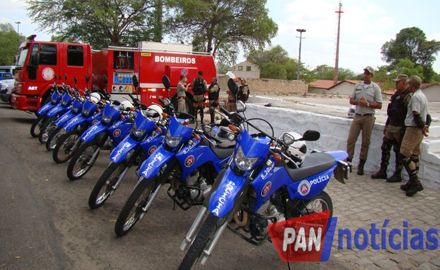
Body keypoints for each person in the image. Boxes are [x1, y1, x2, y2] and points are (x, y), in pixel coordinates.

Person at [371, 74, 410, 182]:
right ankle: (383, 171)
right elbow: (391, 111)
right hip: (391, 125)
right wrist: (387, 125)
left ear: (404, 82)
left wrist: (404, 129)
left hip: (400, 127)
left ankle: (398, 174)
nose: (396, 84)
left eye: (398, 82)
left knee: (398, 151)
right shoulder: (397, 94)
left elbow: (409, 114)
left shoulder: (408, 96)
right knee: (385, 147)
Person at [346, 66, 383, 175]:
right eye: (365, 73)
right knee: (351, 139)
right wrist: (358, 102)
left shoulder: (375, 88)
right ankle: (348, 162)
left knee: (365, 142)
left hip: (368, 116)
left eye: (368, 73)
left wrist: (367, 103)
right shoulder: (358, 86)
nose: (365, 75)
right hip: (357, 115)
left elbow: (379, 104)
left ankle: (361, 164)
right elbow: (351, 100)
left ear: (371, 75)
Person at [399, 75, 431, 197]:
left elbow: (416, 114)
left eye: (408, 84)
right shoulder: (423, 96)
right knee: (414, 155)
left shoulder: (416, 97)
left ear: (412, 85)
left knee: (404, 153)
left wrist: (422, 126)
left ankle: (415, 181)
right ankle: (411, 182)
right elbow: (427, 116)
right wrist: (425, 126)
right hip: (418, 128)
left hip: (413, 128)